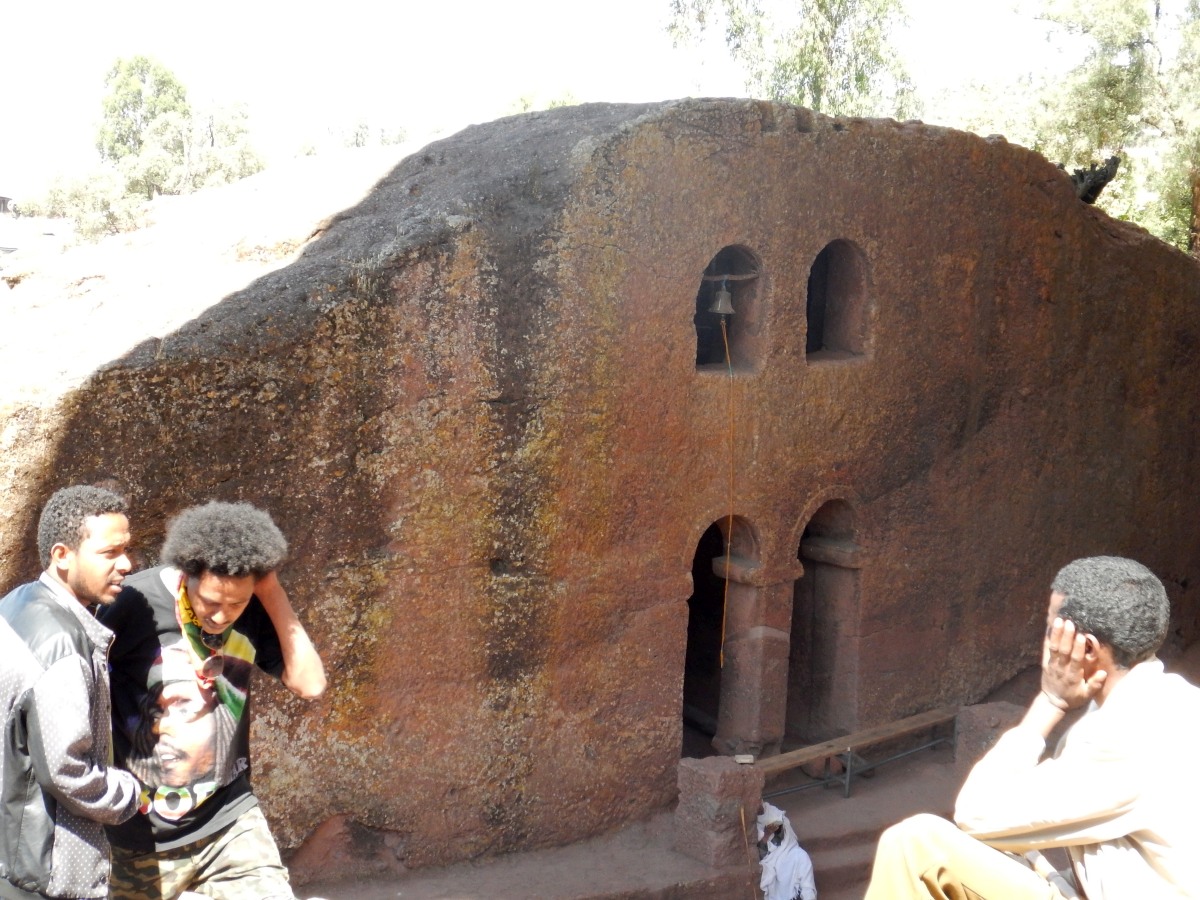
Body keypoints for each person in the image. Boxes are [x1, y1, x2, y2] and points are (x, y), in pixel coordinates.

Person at [864, 555, 1200, 899]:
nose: (1047, 642)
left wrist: (1050, 701)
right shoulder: (1177, 701)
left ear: (1085, 648)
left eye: (1051, 628)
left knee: (916, 846)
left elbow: (976, 813)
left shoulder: (1125, 731)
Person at [100, 501, 326, 900]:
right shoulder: (130, 604)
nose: (222, 617)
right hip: (137, 837)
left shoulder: (255, 607)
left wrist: (270, 591)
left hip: (229, 819)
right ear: (187, 574)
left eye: (235, 604)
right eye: (211, 602)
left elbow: (310, 684)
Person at [0, 485, 141, 899]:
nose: (127, 564)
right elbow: (68, 771)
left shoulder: (18, 603)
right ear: (62, 555)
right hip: (45, 869)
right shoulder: (63, 646)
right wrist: (129, 794)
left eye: (127, 550)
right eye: (109, 554)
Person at [757, 801, 817, 900]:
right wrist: (766, 836)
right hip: (770, 859)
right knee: (770, 875)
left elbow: (782, 835)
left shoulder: (771, 811)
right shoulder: (751, 823)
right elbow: (760, 853)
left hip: (788, 849)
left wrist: (772, 829)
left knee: (802, 857)